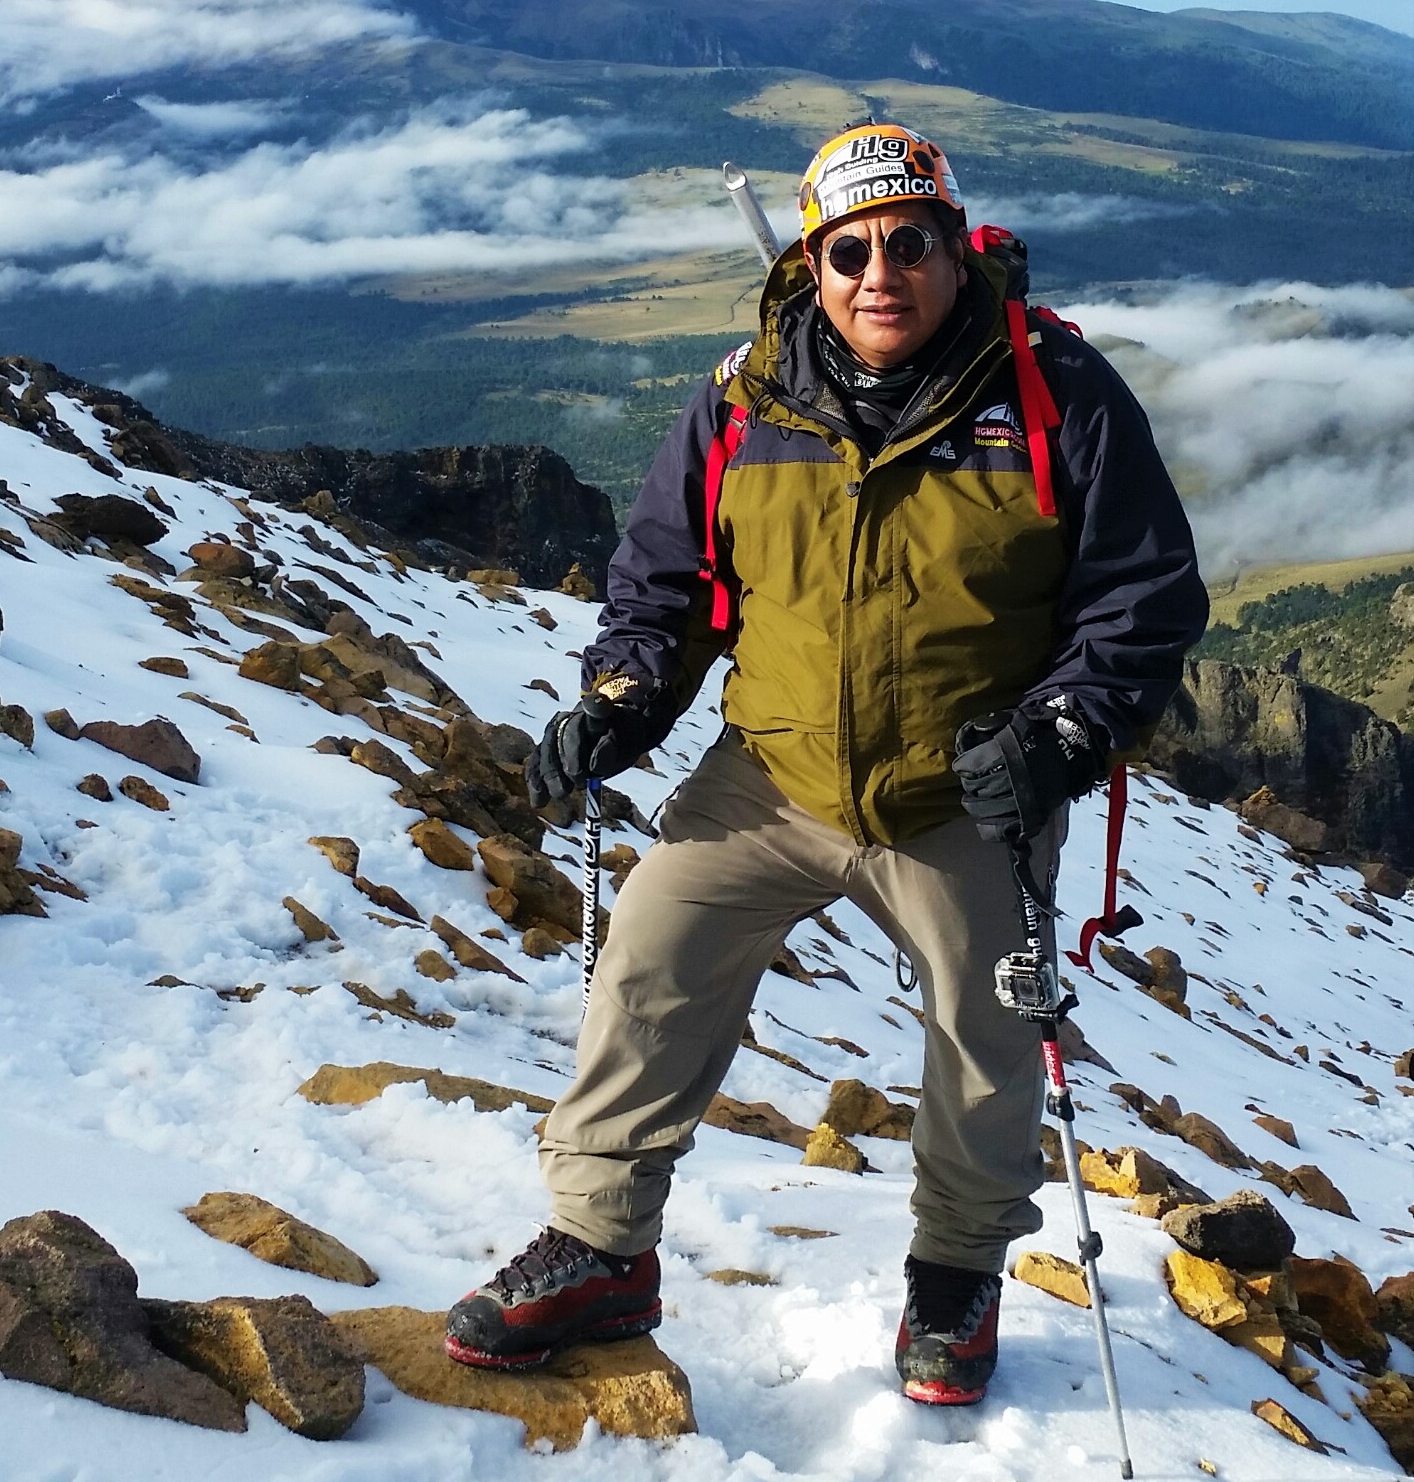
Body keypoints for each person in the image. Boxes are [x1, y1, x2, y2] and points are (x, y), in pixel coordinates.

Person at [442, 122, 1208, 1404]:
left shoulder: (1052, 392)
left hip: (965, 785)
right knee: (649, 959)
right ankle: (599, 1245)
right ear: (811, 261)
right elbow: (663, 579)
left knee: (982, 1024)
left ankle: (955, 1273)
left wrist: (1057, 734)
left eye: (909, 241)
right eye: (847, 247)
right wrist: (622, 699)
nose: (878, 272)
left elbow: (1140, 598)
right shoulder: (746, 399)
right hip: (773, 774)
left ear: (956, 250)